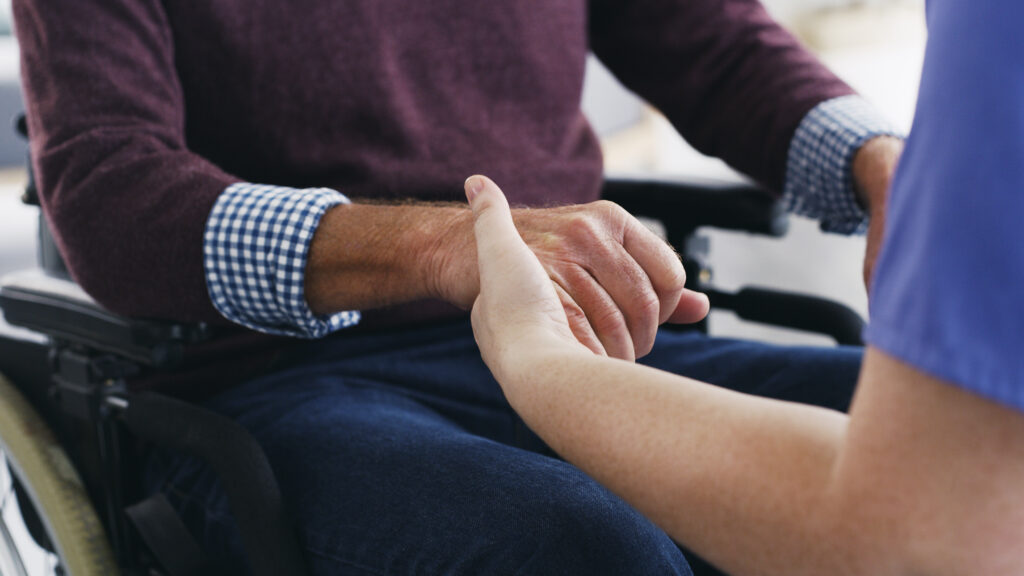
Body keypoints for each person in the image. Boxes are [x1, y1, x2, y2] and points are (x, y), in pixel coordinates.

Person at [13, 0, 902, 573]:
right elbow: (109, 192)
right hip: (288, 379)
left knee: (946, 440)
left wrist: (890, 168)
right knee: (581, 550)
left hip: (585, 337)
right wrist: (445, 243)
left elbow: (718, 52)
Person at [467, 0, 1024, 574]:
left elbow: (921, 524)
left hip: (551, 328)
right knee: (594, 543)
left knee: (887, 416)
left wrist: (535, 359)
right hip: (381, 345)